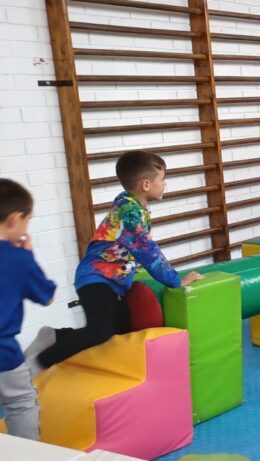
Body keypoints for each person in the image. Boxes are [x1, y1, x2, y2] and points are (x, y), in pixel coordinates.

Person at [27, 151, 203, 373]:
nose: (165, 183)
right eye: (162, 179)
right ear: (146, 184)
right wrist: (176, 281)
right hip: (95, 279)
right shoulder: (131, 213)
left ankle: (54, 335)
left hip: (111, 282)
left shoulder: (130, 204)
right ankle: (40, 363)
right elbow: (148, 253)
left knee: (119, 330)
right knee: (99, 331)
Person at [0, 178, 56, 440]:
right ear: (15, 219)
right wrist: (28, 256)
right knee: (21, 401)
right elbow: (47, 296)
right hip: (3, 353)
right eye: (27, 220)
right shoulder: (17, 258)